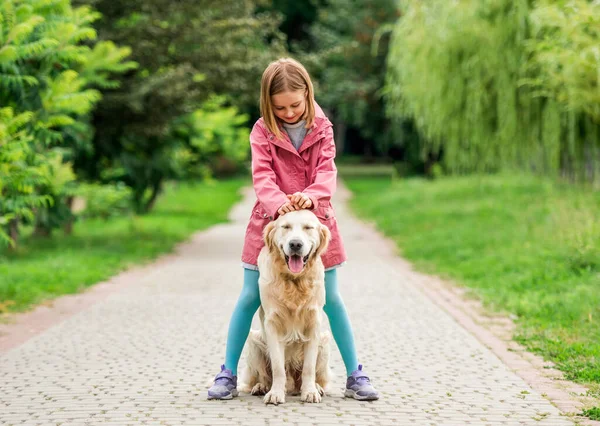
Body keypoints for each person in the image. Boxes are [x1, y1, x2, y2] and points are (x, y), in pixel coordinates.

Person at [207, 58, 379, 401]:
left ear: (307, 95)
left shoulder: (323, 129)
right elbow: (262, 176)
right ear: (268, 104)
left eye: (295, 105)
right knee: (249, 296)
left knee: (330, 299)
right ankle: (227, 373)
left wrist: (309, 197)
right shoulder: (261, 131)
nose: (288, 113)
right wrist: (277, 203)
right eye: (279, 107)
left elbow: (327, 174)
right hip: (270, 226)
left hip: (316, 225)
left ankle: (355, 374)